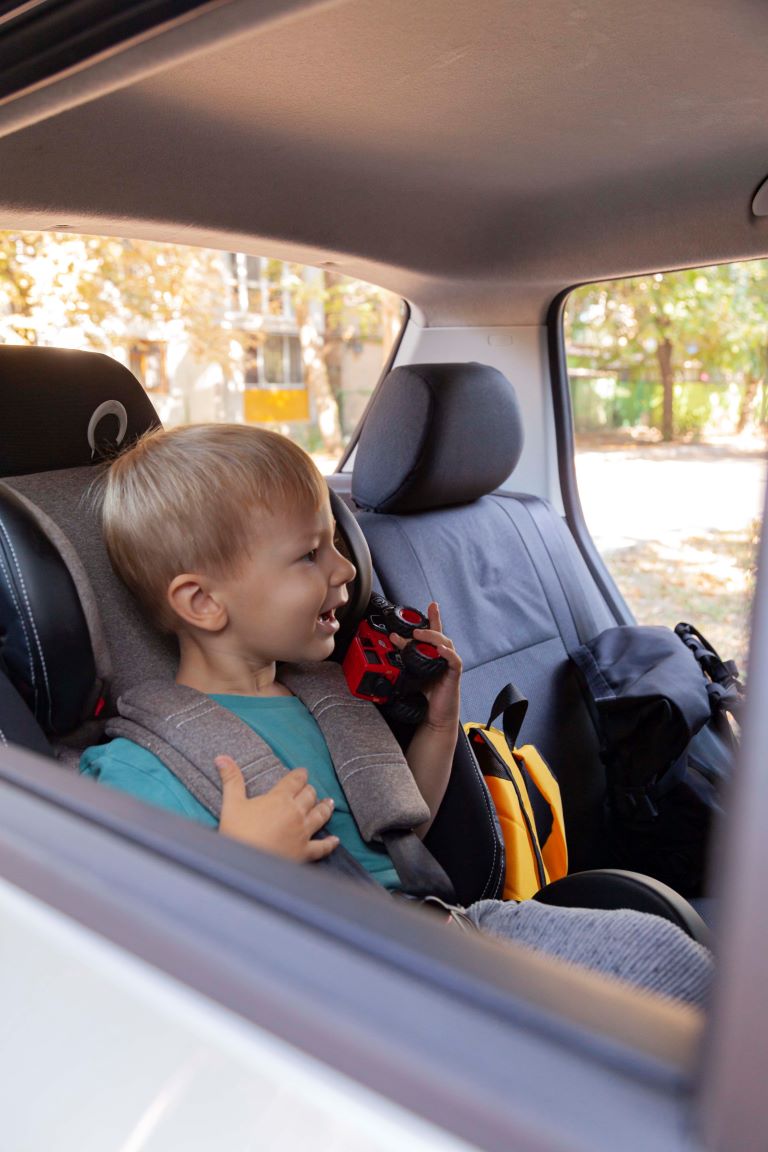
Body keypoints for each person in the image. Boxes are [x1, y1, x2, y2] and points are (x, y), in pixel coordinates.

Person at [81, 423, 712, 1007]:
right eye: (309, 556)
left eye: (334, 543)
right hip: (342, 988)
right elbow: (134, 954)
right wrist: (239, 863)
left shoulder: (322, 698)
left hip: (444, 931)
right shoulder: (145, 766)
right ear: (202, 602)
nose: (346, 570)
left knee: (667, 961)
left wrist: (439, 726)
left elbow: (402, 834)